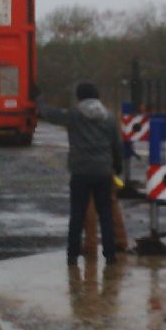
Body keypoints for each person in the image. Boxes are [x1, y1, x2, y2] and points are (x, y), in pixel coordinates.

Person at [39, 81, 124, 265]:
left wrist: (38, 101)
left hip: (80, 172)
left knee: (77, 214)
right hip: (103, 172)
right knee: (105, 214)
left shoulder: (74, 116)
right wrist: (117, 166)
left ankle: (72, 255)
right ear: (97, 96)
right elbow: (117, 144)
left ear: (79, 97)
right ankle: (110, 254)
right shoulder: (109, 117)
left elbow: (49, 114)